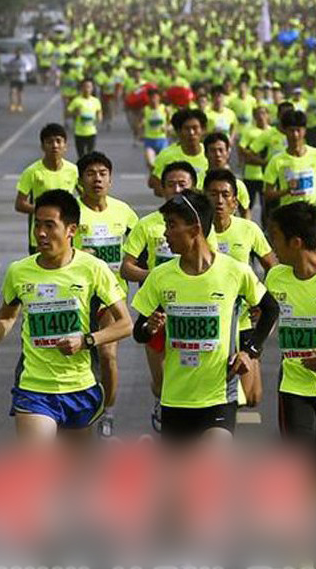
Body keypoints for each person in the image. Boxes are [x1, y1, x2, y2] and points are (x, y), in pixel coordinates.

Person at [0, 189, 132, 441]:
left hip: (80, 386)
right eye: (37, 225)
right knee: (38, 464)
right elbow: (6, 316)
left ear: (71, 230)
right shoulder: (19, 271)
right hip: (34, 387)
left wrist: (86, 341)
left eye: (50, 225)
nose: (41, 233)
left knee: (73, 473)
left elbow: (125, 324)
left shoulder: (93, 269)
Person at [131, 189, 278, 442]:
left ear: (195, 227)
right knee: (179, 482)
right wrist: (149, 328)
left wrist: (250, 351)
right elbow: (138, 331)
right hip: (175, 397)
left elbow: (271, 309)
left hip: (219, 396)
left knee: (210, 467)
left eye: (172, 225)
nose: (165, 234)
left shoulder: (234, 271)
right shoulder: (160, 275)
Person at [121, 162, 203, 431]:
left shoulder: (200, 226)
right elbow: (127, 267)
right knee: (160, 378)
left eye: (184, 184)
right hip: (157, 307)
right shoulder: (147, 225)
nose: (177, 189)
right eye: (171, 185)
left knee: (190, 366)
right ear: (162, 188)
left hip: (192, 304)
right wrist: (156, 276)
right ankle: (163, 400)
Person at [265, 203, 316, 495]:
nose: (272, 245)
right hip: (295, 388)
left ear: (296, 242)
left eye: (275, 237)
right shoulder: (275, 278)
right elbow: (266, 319)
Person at [73, 152, 139, 435]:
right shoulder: (72, 213)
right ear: (80, 180)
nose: (97, 178)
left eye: (102, 173)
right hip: (78, 298)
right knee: (82, 358)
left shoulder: (124, 213)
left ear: (110, 180)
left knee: (108, 355)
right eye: (90, 173)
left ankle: (108, 412)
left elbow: (139, 253)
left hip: (112, 298)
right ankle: (80, 410)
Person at [203, 169, 278, 408]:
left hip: (245, 319)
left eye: (225, 194)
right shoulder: (198, 232)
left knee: (253, 396)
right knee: (231, 398)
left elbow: (272, 267)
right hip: (212, 321)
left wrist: (264, 298)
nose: (220, 200)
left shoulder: (249, 230)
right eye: (213, 194)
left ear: (235, 201)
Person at [15, 123, 78, 253]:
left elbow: (85, 197)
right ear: (43, 146)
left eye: (58, 141)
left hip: (65, 235)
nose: (54, 145)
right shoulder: (32, 172)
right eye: (49, 142)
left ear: (65, 146)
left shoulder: (73, 170)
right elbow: (20, 204)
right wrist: (44, 212)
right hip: (40, 236)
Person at [264, 109, 316, 209]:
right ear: (285, 131)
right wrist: (287, 191)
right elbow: (267, 194)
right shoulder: (277, 160)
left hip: (311, 211)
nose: (295, 135)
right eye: (291, 130)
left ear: (305, 131)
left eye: (298, 130)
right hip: (289, 212)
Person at [149, 108, 209, 197]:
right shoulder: (167, 155)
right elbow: (154, 185)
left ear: (203, 130)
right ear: (178, 131)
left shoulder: (211, 153)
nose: (191, 133)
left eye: (195, 128)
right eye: (187, 129)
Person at [203, 132, 251, 218]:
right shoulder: (198, 181)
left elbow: (245, 212)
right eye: (213, 150)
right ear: (205, 154)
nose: (217, 154)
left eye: (221, 150)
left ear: (228, 152)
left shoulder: (238, 184)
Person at [67, 77, 103, 159]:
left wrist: (99, 118)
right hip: (79, 133)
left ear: (92, 89)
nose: (87, 89)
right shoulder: (77, 101)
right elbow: (68, 112)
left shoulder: (96, 101)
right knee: (81, 156)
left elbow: (99, 112)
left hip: (91, 133)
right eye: (85, 87)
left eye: (89, 87)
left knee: (90, 156)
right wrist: (75, 113)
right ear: (81, 88)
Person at [141, 88, 170, 174]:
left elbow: (171, 123)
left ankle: (161, 182)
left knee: (163, 166)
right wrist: (140, 128)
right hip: (149, 140)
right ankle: (154, 181)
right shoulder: (145, 109)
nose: (153, 100)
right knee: (151, 164)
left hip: (162, 140)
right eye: (151, 98)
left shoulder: (164, 109)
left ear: (159, 98)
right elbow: (140, 122)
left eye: (155, 97)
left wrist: (168, 128)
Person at [7, 47, 29, 113]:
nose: (18, 54)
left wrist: (22, 71)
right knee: (12, 91)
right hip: (13, 78)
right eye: (17, 52)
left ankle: (19, 105)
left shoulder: (25, 60)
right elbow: (8, 68)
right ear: (15, 53)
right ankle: (12, 104)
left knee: (20, 93)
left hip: (21, 78)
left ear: (21, 53)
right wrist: (12, 71)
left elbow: (29, 68)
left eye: (20, 52)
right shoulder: (12, 60)